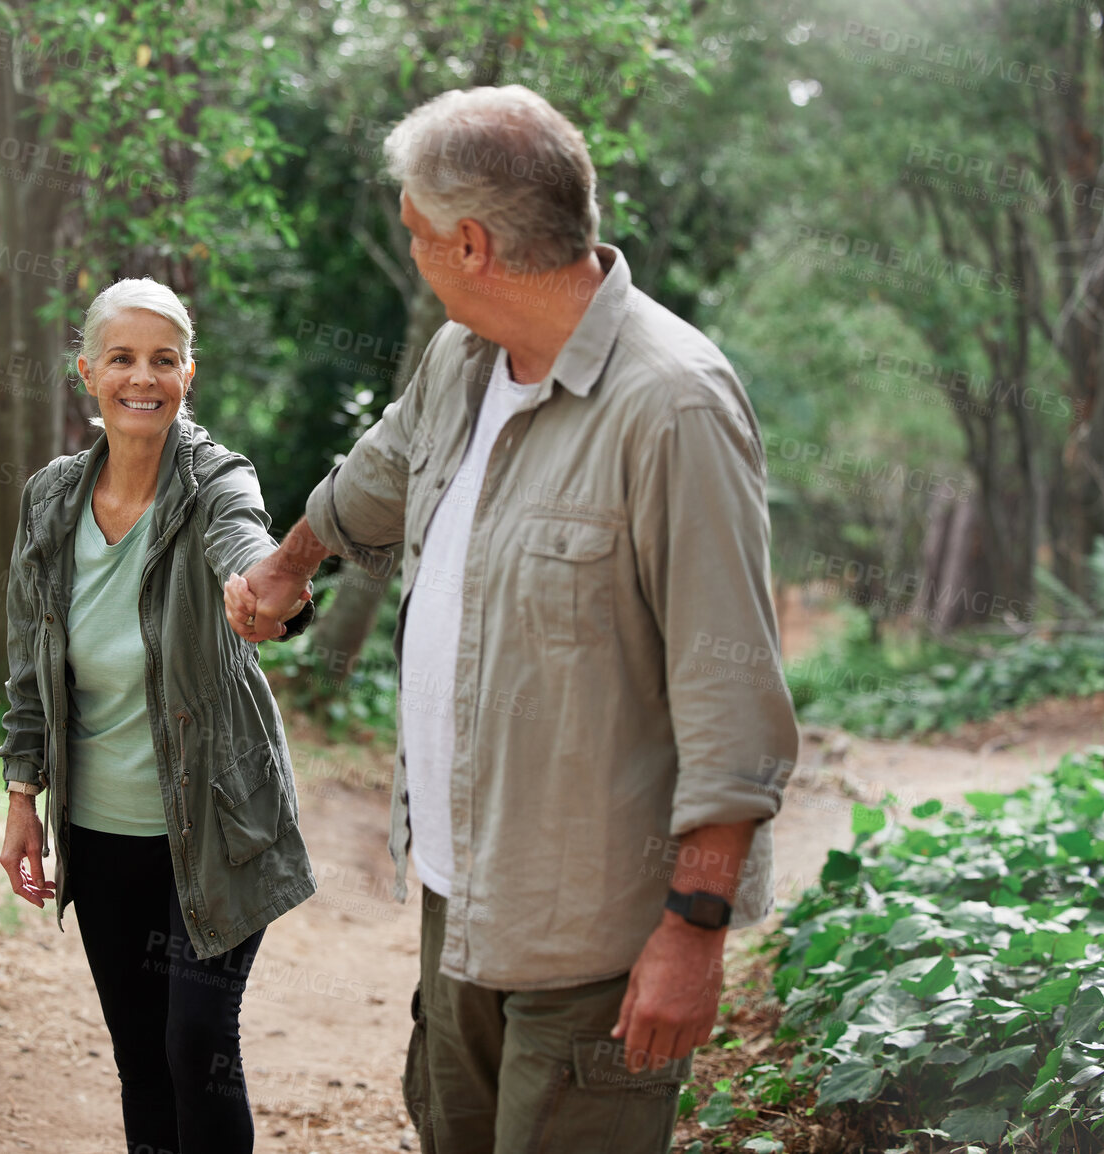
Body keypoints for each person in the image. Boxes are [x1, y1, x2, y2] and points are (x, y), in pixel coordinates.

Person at [223, 86, 801, 1152]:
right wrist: (285, 565)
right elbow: (376, 478)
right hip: (463, 894)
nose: (413, 254)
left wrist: (695, 929)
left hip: (599, 939)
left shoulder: (675, 406)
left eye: (416, 234)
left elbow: (734, 702)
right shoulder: (461, 358)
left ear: (474, 243)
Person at [0, 277, 316, 1154]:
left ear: (188, 375)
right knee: (141, 1055)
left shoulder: (216, 480)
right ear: (88, 373)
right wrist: (23, 797)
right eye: (123, 359)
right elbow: (30, 664)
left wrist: (265, 591)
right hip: (100, 833)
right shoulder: (51, 501)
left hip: (215, 825)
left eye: (164, 360)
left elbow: (246, 540)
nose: (144, 378)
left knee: (196, 1042)